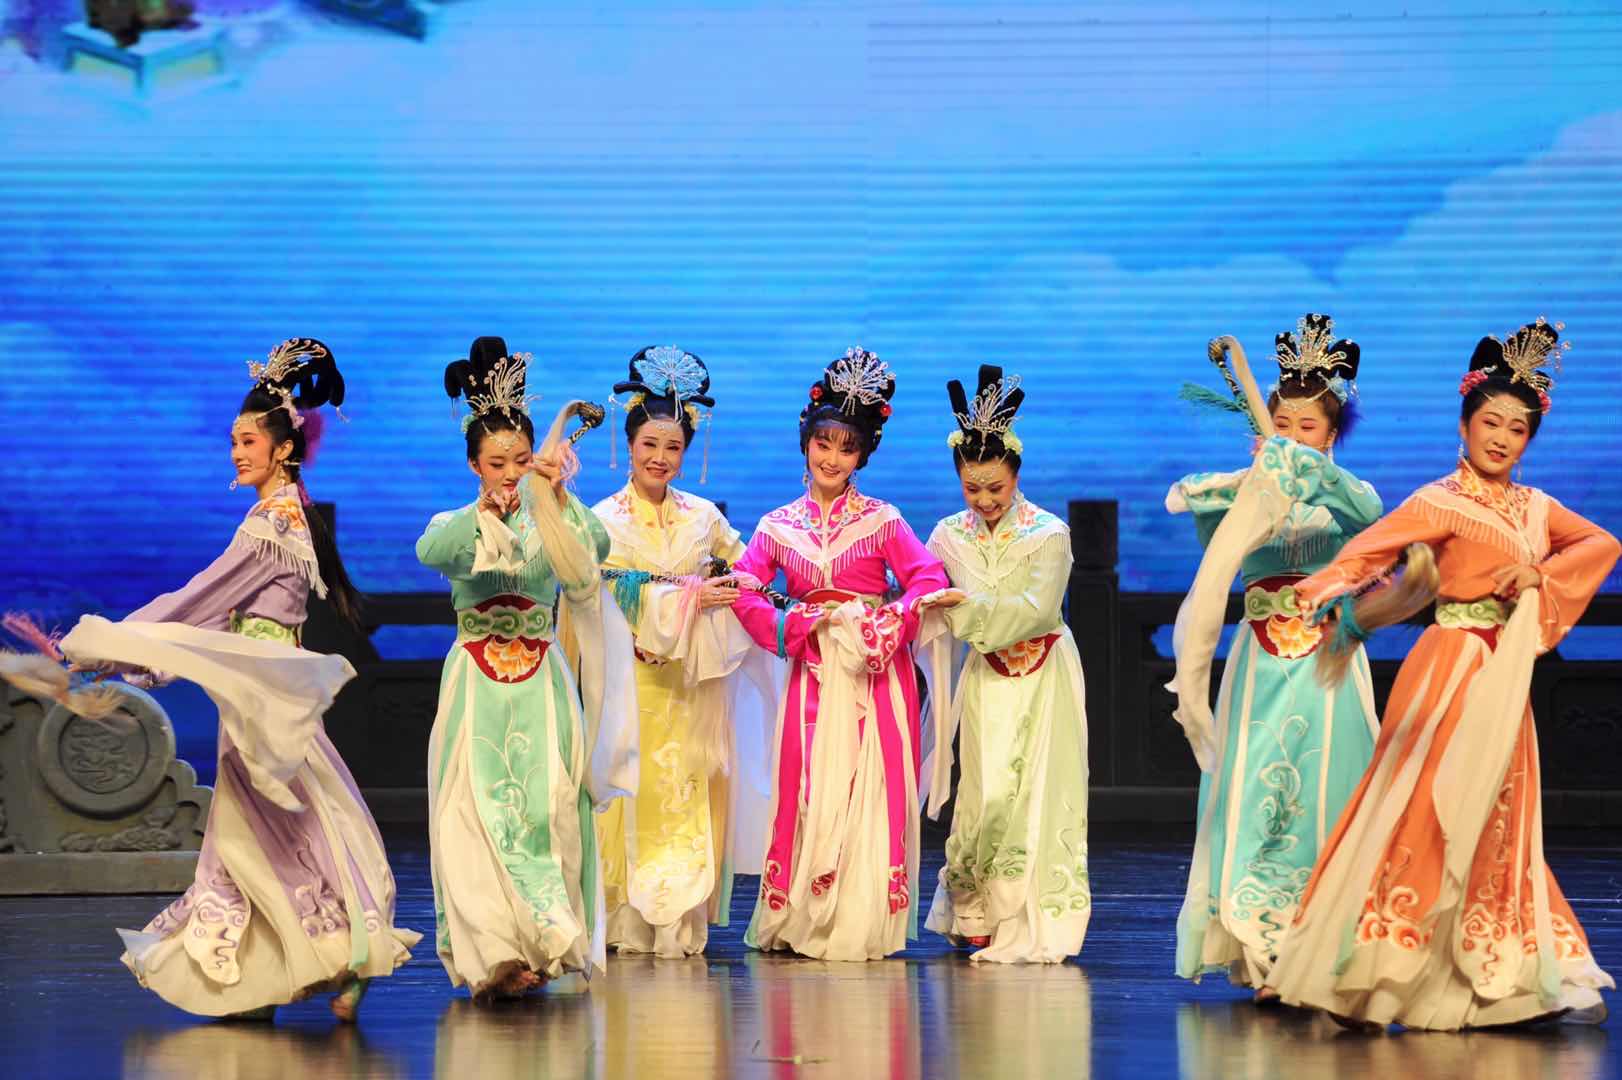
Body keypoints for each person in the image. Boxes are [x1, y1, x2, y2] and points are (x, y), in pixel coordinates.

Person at [1265, 317, 1619, 1029]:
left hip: (1502, 675)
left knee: (1497, 813)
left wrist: (1540, 575)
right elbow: (1366, 553)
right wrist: (1315, 594)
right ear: (1464, 425)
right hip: (1449, 666)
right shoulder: (1439, 501)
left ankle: (1496, 970)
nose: (1501, 438)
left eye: (1517, 429)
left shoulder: (1537, 509)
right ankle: (1371, 972)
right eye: (1490, 422)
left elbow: (1602, 542)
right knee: (1422, 807)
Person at [58, 338, 417, 1022]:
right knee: (285, 823)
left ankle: (325, 956)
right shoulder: (283, 516)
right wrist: (130, 656)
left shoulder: (272, 524)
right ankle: (282, 966)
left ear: (283, 448)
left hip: (264, 698)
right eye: (233, 441)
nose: (236, 453)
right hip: (257, 689)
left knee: (271, 828)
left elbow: (199, 598)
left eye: (248, 441)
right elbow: (220, 615)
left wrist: (113, 642)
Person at [1169, 315, 1384, 994]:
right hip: (1260, 662)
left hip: (1327, 660)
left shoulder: (1349, 494)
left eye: (1307, 427)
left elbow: (1369, 518)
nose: (1291, 435)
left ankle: (1324, 946)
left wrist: (1307, 473)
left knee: (1327, 789)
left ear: (1331, 434)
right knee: (1253, 791)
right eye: (1282, 424)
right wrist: (1251, 487)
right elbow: (1212, 539)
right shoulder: (1249, 491)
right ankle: (1257, 947)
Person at [416, 336, 633, 999]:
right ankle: (494, 954)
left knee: (545, 812)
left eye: (520, 460)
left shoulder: (555, 520)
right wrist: (483, 516)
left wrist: (558, 497)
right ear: (474, 465)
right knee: (469, 815)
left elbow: (596, 551)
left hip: (540, 682)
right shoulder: (458, 523)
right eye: (496, 463)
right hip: (476, 685)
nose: (510, 473)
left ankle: (543, 942)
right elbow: (433, 552)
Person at [729, 347, 950, 961]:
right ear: (806, 443)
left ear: (862, 456)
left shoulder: (882, 520)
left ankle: (861, 920)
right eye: (823, 443)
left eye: (846, 448)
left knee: (868, 792)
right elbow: (744, 591)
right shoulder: (777, 526)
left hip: (874, 672)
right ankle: (802, 914)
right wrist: (796, 625)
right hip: (813, 669)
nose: (831, 458)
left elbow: (928, 580)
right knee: (808, 789)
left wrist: (884, 623)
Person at [592, 346, 776, 957]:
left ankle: (680, 923)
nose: (660, 457)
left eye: (673, 447)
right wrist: (688, 596)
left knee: (688, 790)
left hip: (693, 685)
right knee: (633, 793)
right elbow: (596, 596)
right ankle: (627, 922)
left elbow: (746, 570)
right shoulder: (602, 520)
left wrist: (731, 590)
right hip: (630, 680)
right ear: (628, 444)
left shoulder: (703, 517)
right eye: (649, 444)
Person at [916, 365, 1091, 962]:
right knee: (985, 794)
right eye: (973, 489)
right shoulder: (947, 535)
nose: (986, 500)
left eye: (995, 486)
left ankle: (1033, 914)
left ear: (1016, 473)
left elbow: (1037, 611)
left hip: (1045, 677)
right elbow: (925, 593)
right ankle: (974, 909)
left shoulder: (1048, 534)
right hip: (987, 678)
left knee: (1040, 792)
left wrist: (962, 610)